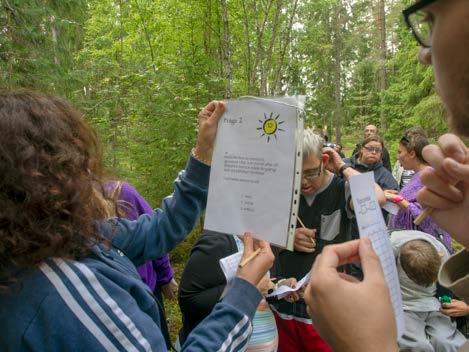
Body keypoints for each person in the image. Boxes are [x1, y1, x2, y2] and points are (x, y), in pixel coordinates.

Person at [0, 91, 275, 351]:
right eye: (72, 161)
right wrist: (242, 293)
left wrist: (203, 152)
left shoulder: (63, 236)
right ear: (41, 182)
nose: (88, 171)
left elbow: (160, 230)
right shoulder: (69, 291)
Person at [304, 1, 469, 351]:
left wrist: (366, 344)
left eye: (431, 18)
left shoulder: (383, 178)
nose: (425, 54)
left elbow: (381, 197)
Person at [269, 129, 385, 352]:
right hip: (284, 304)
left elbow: (375, 198)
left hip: (326, 311)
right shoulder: (283, 191)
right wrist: (286, 238)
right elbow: (259, 236)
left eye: (310, 172)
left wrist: (342, 166)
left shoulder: (341, 189)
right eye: (295, 174)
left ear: (324, 160)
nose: (302, 182)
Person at [178, 231, 298, 351]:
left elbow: (267, 282)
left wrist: (281, 286)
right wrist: (246, 287)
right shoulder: (216, 242)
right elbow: (189, 299)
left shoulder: (265, 244)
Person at [104, 181, 178, 348]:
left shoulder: (121, 192)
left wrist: (165, 277)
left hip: (147, 289)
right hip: (115, 301)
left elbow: (156, 231)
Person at [390, 230, 466, 351]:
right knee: (418, 345)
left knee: (446, 341)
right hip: (402, 305)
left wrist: (446, 301)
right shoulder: (388, 249)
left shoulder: (441, 251)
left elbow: (446, 286)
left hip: (433, 302)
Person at [386, 134, 453, 252]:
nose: (397, 157)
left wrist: (397, 199)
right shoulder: (418, 175)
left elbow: (428, 217)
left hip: (424, 250)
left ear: (412, 154)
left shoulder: (430, 177)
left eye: (400, 152)